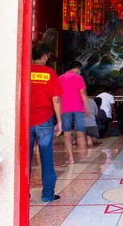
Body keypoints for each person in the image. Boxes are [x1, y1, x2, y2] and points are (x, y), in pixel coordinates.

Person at [29, 44, 63, 202]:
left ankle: (23, 194)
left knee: (25, 158)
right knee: (47, 158)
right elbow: (55, 99)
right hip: (44, 118)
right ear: (44, 56)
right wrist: (60, 121)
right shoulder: (49, 73)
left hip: (26, 120)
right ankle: (47, 195)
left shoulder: (24, 71)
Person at [58, 61, 91, 164]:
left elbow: (57, 96)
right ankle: (82, 157)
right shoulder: (78, 78)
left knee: (67, 134)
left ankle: (71, 158)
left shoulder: (60, 78)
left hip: (64, 108)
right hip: (78, 108)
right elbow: (83, 93)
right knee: (80, 132)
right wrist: (87, 106)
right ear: (77, 68)